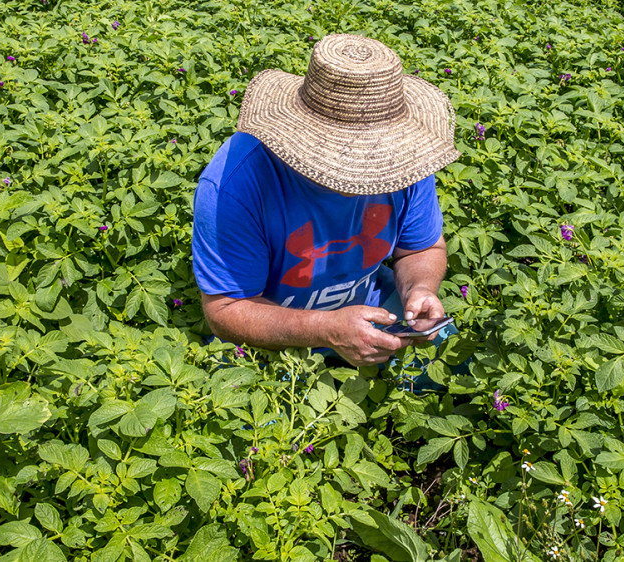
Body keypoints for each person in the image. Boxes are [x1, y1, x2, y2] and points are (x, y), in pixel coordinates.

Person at [191, 34, 460, 368]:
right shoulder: (236, 182)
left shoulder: (406, 163)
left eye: (380, 159)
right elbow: (226, 310)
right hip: (270, 335)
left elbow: (422, 249)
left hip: (374, 307)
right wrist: (325, 329)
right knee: (256, 417)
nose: (372, 176)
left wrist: (419, 289)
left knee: (452, 368)